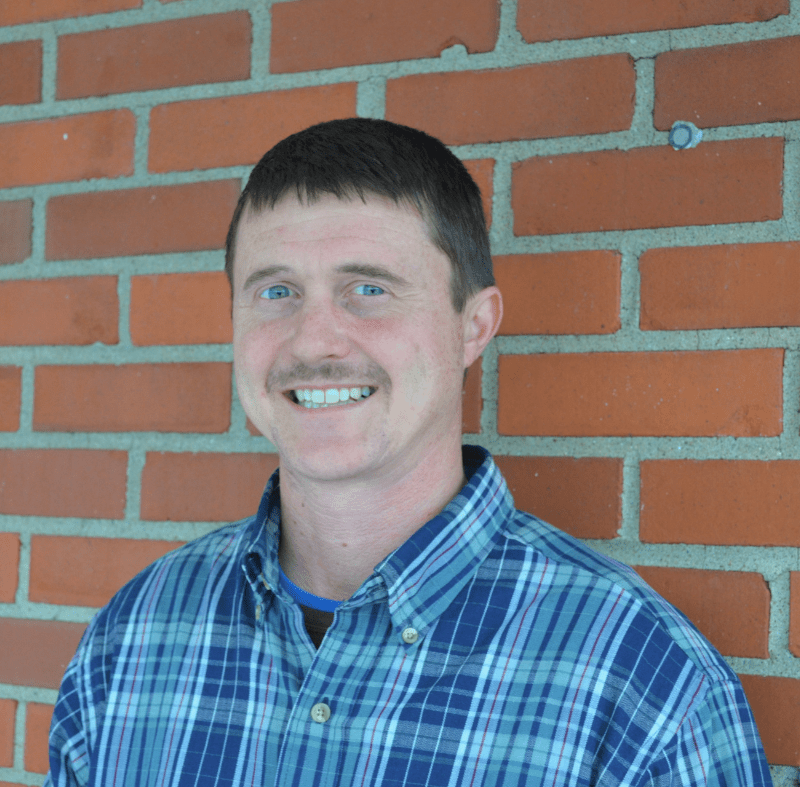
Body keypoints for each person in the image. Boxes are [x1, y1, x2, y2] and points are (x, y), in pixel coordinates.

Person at [45, 118, 770, 786]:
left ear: (473, 325)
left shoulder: (640, 683)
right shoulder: (133, 637)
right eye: (276, 292)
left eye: (368, 288)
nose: (315, 340)